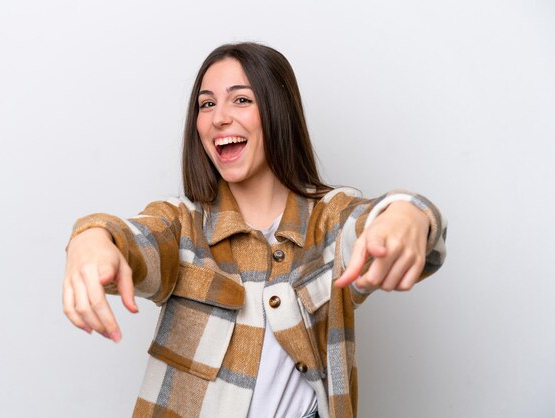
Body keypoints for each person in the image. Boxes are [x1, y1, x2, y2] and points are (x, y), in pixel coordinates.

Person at [62, 42, 447, 418]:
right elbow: (133, 238)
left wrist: (407, 216)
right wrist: (92, 238)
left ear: (278, 112)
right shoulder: (183, 224)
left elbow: (376, 220)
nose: (218, 118)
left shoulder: (328, 220)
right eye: (207, 104)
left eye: (241, 100)